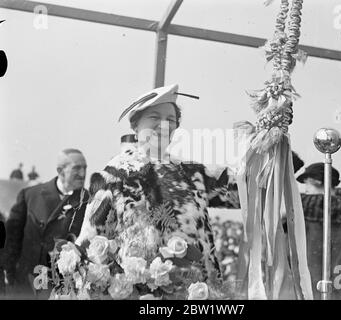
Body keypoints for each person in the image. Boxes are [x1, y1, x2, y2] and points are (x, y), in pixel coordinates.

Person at [76, 84, 240, 289]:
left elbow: (247, 191)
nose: (164, 125)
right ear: (135, 126)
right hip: (138, 293)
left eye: (171, 120)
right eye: (154, 117)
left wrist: (271, 142)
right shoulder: (112, 177)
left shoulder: (194, 174)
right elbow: (89, 244)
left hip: (197, 295)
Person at [3, 149, 90, 299]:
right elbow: (11, 239)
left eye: (85, 168)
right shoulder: (30, 195)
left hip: (61, 289)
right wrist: (10, 274)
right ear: (60, 171)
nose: (82, 174)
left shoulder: (89, 201)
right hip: (24, 283)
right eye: (77, 168)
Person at [296, 162, 341, 300]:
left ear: (317, 182)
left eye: (307, 185)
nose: (305, 189)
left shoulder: (304, 206)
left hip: (314, 274)